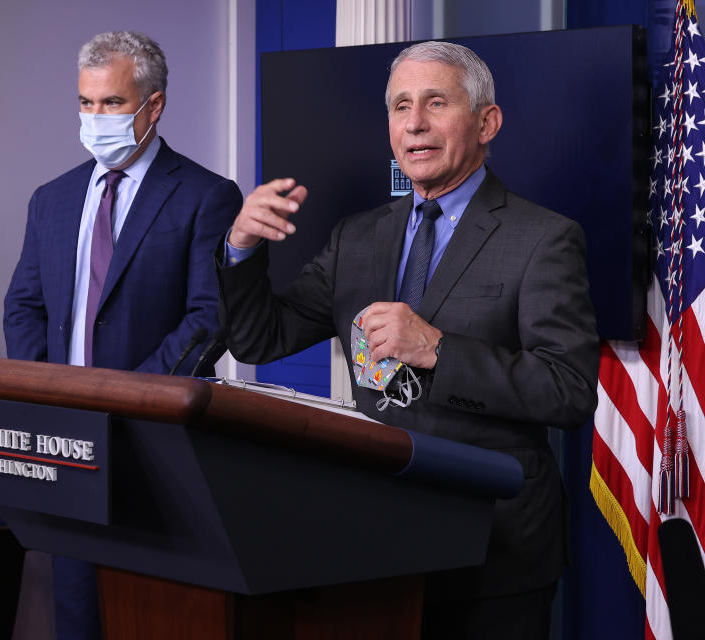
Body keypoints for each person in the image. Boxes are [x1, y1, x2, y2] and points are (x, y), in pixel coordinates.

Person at [217, 41, 600, 639]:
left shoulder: (543, 238)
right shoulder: (358, 237)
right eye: (400, 107)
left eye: (435, 102)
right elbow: (259, 340)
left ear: (486, 122)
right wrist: (240, 250)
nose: (414, 123)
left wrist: (438, 351)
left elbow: (569, 391)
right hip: (376, 540)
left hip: (494, 549)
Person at [3, 31, 242, 639]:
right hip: (67, 441)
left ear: (153, 106)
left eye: (111, 104)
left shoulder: (206, 196)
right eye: (86, 103)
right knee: (77, 613)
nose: (94, 118)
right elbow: (24, 306)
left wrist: (127, 398)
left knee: (153, 616)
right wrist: (49, 390)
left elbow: (206, 317)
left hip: (154, 444)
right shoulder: (51, 200)